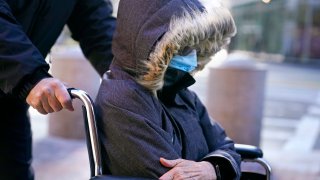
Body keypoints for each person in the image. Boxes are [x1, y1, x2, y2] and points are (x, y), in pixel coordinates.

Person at [95, 0, 241, 179]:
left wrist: (212, 168)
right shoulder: (121, 100)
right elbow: (173, 176)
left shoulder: (180, 91)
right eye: (184, 47)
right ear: (150, 44)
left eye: (195, 47)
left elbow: (225, 144)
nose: (194, 58)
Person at [0, 0, 116, 179]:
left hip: (10, 102)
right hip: (17, 76)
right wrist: (30, 76)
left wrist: (132, 77)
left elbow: (96, 24)